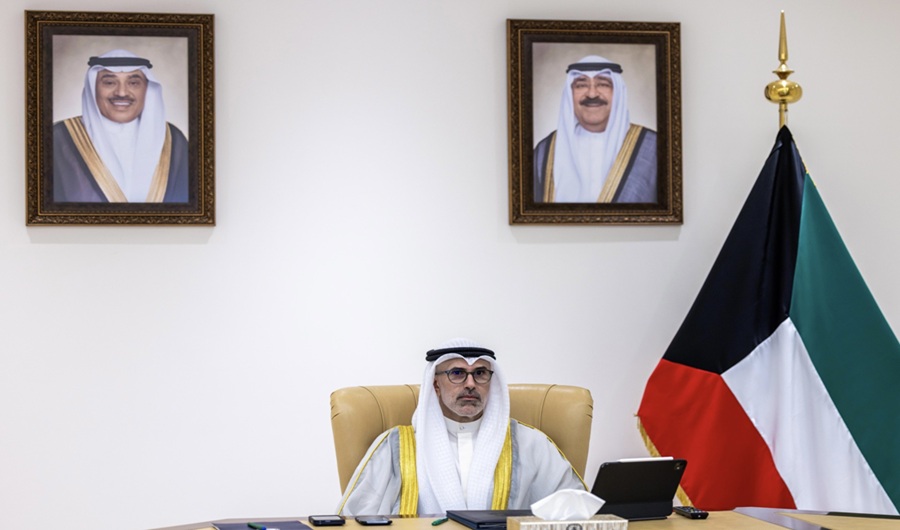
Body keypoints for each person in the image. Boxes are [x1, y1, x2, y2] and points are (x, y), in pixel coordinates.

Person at [337, 338, 586, 516]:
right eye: (457, 373)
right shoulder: (396, 446)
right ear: (435, 385)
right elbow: (353, 518)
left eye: (480, 373)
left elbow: (577, 510)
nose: (470, 384)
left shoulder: (530, 443)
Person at [52, 49, 189, 203]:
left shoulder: (173, 140)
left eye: (133, 83)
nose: (122, 93)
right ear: (93, 88)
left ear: (147, 89)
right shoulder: (58, 139)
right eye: (109, 82)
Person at [534, 55, 657, 203]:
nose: (592, 94)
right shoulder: (545, 151)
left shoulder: (654, 148)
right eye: (581, 85)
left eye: (603, 84)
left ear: (618, 92)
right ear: (570, 94)